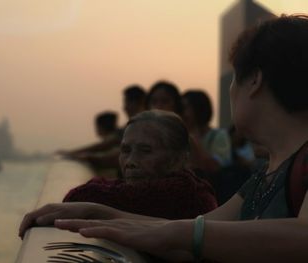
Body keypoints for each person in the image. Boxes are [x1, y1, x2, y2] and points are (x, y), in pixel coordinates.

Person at [20, 15, 308, 262]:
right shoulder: (265, 174)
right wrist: (99, 212)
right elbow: (199, 230)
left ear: (254, 81)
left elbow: (191, 233)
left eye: (234, 78)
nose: (231, 90)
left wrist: (176, 232)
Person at [62, 110, 217, 219]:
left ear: (178, 158)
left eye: (145, 151)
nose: (130, 162)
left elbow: (80, 196)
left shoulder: (177, 193)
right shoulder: (188, 184)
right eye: (125, 150)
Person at [182, 90, 232, 174]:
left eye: (185, 107)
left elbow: (215, 167)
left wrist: (194, 139)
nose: (182, 113)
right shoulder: (181, 136)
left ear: (198, 109)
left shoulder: (219, 136)